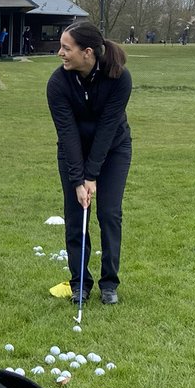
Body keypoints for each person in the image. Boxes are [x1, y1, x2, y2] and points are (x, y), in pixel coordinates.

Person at [46, 21, 132, 306]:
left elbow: (108, 128)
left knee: (108, 213)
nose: (60, 53)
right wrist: (78, 179)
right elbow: (67, 132)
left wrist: (92, 175)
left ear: (88, 52)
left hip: (114, 149)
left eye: (66, 48)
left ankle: (110, 283)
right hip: (73, 152)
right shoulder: (58, 83)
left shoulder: (119, 78)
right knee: (75, 216)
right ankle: (79, 282)